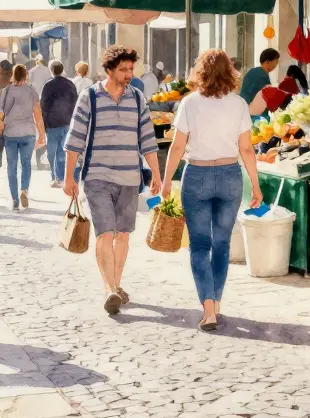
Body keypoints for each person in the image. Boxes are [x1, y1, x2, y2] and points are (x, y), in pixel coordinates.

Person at [161, 50, 262, 332]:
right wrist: (256, 185)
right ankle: (216, 302)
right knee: (222, 244)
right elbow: (246, 149)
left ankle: (208, 309)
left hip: (197, 174)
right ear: (230, 71)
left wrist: (167, 180)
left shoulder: (189, 103)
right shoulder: (239, 104)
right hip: (230, 175)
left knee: (199, 245)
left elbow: (177, 146)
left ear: (201, 72)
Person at [64, 45, 162, 316]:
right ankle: (109, 288)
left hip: (130, 177)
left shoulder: (137, 98)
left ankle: (116, 285)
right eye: (123, 69)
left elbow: (147, 139)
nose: (129, 74)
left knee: (123, 236)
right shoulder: (89, 97)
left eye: (131, 69)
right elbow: (75, 139)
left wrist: (156, 173)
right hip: (97, 176)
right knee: (106, 233)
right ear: (109, 70)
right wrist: (69, 177)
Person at [0, 65, 47, 210]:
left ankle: (15, 200)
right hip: (28, 133)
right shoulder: (32, 91)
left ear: (13, 75)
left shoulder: (6, 91)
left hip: (10, 133)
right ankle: (24, 190)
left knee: (12, 166)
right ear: (26, 75)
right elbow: (38, 115)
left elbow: (1, 113)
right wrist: (42, 134)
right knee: (26, 163)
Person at [40, 61, 78, 187]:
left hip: (52, 124)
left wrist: (43, 122)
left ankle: (56, 176)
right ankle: (60, 176)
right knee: (62, 151)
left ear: (51, 70)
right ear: (62, 70)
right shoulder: (70, 84)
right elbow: (75, 102)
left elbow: (43, 105)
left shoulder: (48, 85)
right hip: (67, 122)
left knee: (52, 152)